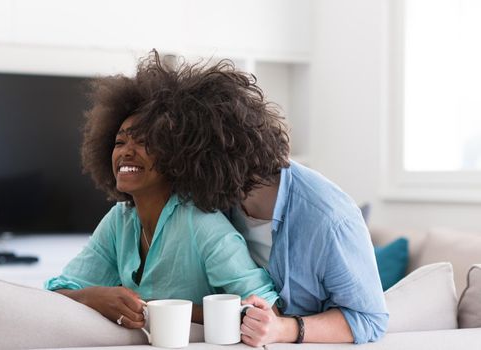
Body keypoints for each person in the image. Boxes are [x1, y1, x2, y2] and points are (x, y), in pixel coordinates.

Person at [138, 53, 388, 345]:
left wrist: (285, 328)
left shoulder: (329, 219)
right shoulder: (221, 200)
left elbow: (370, 320)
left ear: (213, 161)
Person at [44, 50, 280, 329]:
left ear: (177, 156)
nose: (126, 153)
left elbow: (265, 311)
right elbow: (56, 293)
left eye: (144, 142)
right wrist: (93, 297)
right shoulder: (120, 219)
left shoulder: (201, 223)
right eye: (119, 142)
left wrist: (163, 310)